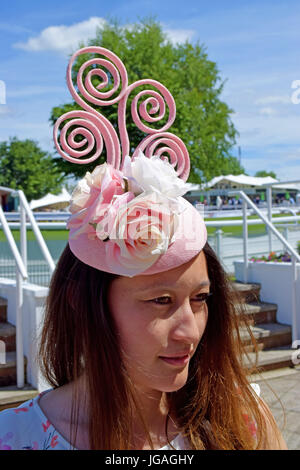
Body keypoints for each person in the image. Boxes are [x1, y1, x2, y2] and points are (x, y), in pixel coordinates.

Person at [0, 46, 288, 451]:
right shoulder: (14, 438)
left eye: (201, 298)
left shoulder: (242, 422)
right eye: (160, 300)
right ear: (80, 303)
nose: (190, 331)